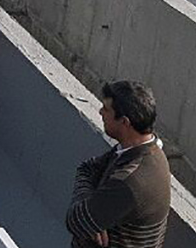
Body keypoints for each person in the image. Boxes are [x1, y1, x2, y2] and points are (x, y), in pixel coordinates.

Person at [66, 80, 170, 248]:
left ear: (124, 122)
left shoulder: (130, 181)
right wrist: (93, 216)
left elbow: (75, 221)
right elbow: (87, 168)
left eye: (106, 109)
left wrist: (89, 217)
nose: (100, 112)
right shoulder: (137, 150)